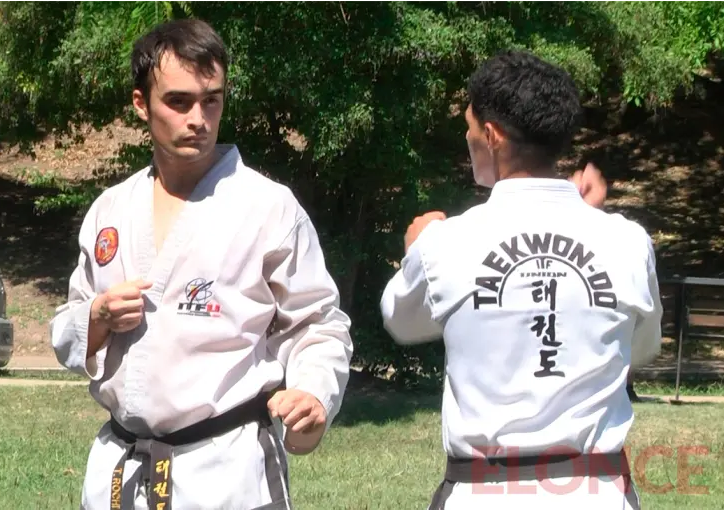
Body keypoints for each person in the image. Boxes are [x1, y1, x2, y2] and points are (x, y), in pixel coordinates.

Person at [50, 18, 353, 510]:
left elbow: (318, 323)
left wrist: (314, 391)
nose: (199, 118)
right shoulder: (110, 210)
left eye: (211, 100)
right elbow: (68, 328)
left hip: (226, 471)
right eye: (179, 101)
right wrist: (97, 317)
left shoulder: (267, 207)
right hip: (121, 466)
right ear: (141, 104)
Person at [379, 50, 662, 509]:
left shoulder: (445, 244)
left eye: (469, 128)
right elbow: (639, 349)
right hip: (597, 494)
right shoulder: (628, 243)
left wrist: (415, 251)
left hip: (483, 495)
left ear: (491, 136)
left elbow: (401, 321)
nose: (467, 138)